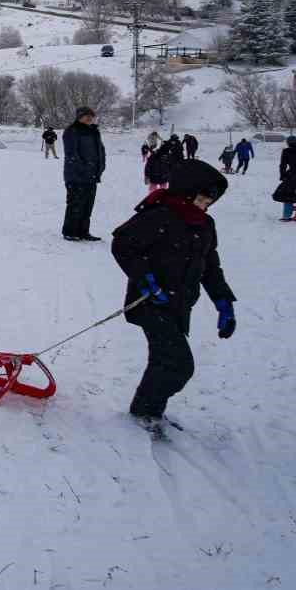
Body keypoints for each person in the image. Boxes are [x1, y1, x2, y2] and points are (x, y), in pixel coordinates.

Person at [112, 159, 236, 437]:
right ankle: (145, 410)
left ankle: (147, 410)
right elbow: (122, 243)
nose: (208, 204)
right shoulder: (159, 215)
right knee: (179, 364)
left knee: (162, 360)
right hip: (150, 303)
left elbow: (210, 265)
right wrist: (145, 281)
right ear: (188, 192)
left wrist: (223, 302)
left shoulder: (204, 224)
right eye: (204, 197)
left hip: (180, 303)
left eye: (211, 200)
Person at [61, 106, 106, 241]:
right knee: (75, 204)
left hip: (92, 175)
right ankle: (70, 231)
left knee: (87, 205)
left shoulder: (94, 132)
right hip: (76, 176)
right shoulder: (72, 131)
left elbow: (100, 151)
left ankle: (83, 231)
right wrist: (83, 170)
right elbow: (72, 154)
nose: (89, 118)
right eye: (86, 116)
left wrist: (101, 167)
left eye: (91, 116)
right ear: (79, 117)